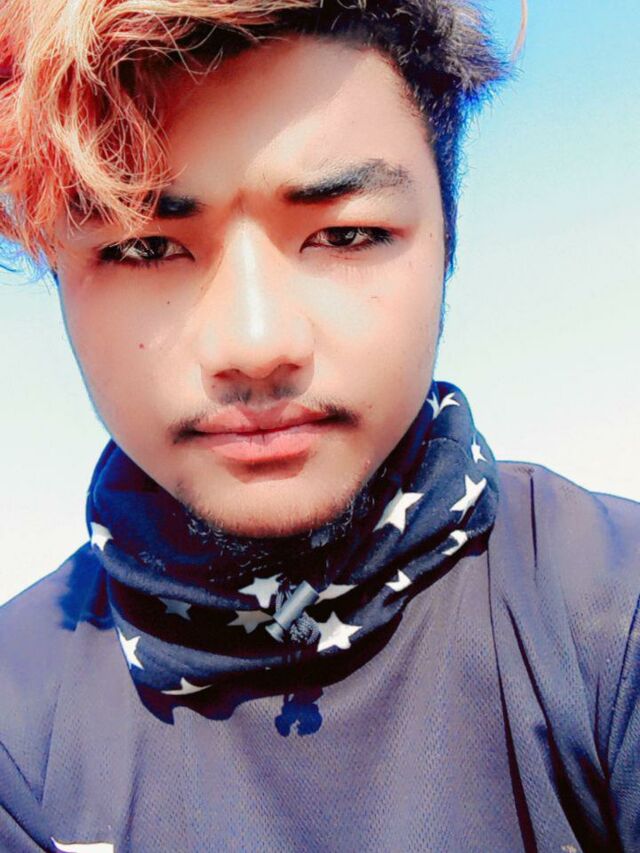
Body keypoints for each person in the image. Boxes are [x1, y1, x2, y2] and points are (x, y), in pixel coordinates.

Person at [0, 0, 637, 850]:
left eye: (345, 234)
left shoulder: (613, 616)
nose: (256, 343)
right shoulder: (16, 734)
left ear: (448, 241)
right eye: (144, 246)